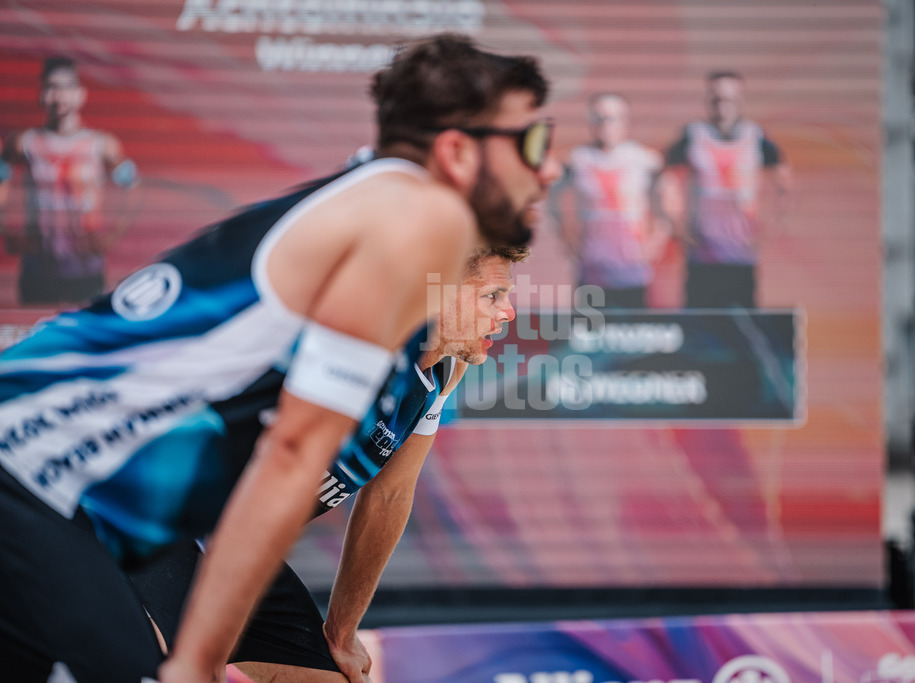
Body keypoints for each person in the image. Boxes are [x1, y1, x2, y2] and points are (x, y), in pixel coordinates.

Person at [0, 34, 558, 683]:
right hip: (44, 467)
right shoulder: (417, 219)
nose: (546, 169)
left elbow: (388, 492)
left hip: (131, 497)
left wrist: (340, 631)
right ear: (458, 152)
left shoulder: (391, 223)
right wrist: (197, 664)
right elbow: (291, 453)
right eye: (533, 141)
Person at [129, 244, 526, 683]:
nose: (508, 312)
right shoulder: (352, 349)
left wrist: (342, 630)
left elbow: (390, 495)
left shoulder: (446, 368)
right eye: (492, 295)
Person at [1, 56, 139, 306]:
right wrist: (6, 231)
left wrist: (112, 235)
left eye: (66, 88)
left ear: (80, 94)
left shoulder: (102, 145)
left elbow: (132, 187)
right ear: (42, 93)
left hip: (86, 271)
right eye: (52, 87)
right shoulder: (24, 143)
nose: (59, 96)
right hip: (38, 269)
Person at [663, 71, 793, 308]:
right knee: (699, 331)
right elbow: (666, 179)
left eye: (729, 99)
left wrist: (772, 227)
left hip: (741, 258)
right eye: (716, 99)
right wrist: (675, 226)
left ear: (740, 100)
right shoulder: (693, 136)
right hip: (701, 257)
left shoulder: (755, 137)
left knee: (741, 329)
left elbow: (783, 182)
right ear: (707, 100)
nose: (722, 106)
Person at [547, 93, 666, 309]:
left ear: (625, 121)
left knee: (631, 339)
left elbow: (666, 200)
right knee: (591, 338)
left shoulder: (645, 160)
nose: (604, 125)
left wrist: (657, 239)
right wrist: (566, 237)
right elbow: (551, 197)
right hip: (592, 272)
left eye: (611, 118)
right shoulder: (577, 159)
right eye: (598, 118)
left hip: (633, 272)